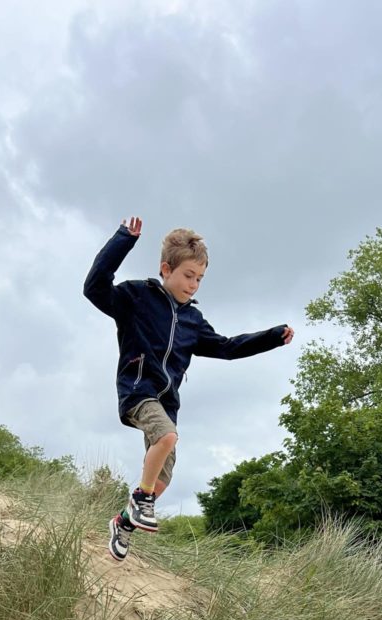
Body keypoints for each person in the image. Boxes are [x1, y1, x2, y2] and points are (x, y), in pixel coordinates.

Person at [83, 216, 294, 562]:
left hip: (167, 403)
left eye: (199, 278)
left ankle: (123, 522)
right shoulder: (137, 297)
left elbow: (227, 347)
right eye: (188, 275)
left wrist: (270, 338)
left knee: (161, 480)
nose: (194, 284)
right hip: (137, 390)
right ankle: (140, 500)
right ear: (166, 269)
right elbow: (94, 287)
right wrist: (123, 239)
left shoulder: (193, 321)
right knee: (167, 438)